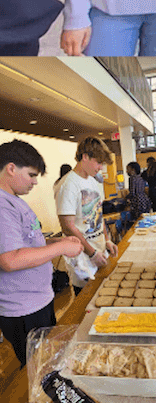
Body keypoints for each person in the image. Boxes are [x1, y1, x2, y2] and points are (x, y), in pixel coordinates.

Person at [0, 140, 83, 367]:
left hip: (38, 300)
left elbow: (24, 243)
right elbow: (9, 259)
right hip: (23, 309)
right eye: (31, 175)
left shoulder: (13, 201)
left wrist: (54, 241)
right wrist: (61, 248)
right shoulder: (2, 205)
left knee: (50, 361)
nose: (35, 182)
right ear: (11, 168)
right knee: (39, 369)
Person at [54, 137, 117, 295]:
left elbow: (98, 213)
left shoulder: (93, 181)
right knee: (86, 304)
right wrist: (92, 253)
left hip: (99, 251)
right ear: (85, 157)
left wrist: (107, 239)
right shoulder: (68, 185)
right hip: (83, 259)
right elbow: (68, 227)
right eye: (99, 162)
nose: (101, 168)